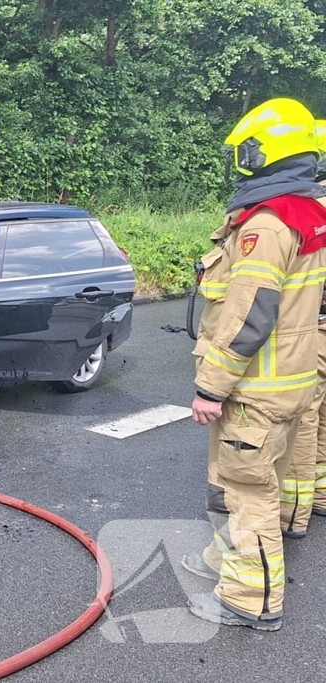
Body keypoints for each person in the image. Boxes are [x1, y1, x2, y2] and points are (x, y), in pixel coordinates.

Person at [182, 99, 326, 631]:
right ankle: (225, 565)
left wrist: (210, 388)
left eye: (247, 151)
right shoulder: (307, 215)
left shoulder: (265, 226)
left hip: (254, 390)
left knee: (248, 493)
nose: (241, 160)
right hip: (287, 381)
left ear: (267, 153)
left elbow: (247, 317)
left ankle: (251, 602)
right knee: (238, 480)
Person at [279, 120, 326, 536]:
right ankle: (321, 495)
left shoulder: (314, 210)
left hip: (317, 327)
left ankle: (292, 513)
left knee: (303, 416)